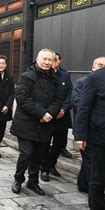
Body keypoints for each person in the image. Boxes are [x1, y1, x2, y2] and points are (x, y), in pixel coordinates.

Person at [10, 49, 63, 196]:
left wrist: (49, 114)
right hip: (26, 123)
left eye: (50, 60)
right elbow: (22, 98)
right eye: (44, 59)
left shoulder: (55, 79)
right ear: (37, 59)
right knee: (26, 153)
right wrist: (41, 113)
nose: (47, 62)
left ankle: (33, 182)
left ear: (53, 62)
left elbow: (58, 100)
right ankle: (18, 179)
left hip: (45, 124)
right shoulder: (26, 77)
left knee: (39, 155)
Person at [74, 57, 105, 210]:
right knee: (97, 176)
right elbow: (83, 108)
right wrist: (80, 135)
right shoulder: (95, 78)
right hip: (99, 137)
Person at [40, 53, 73, 181]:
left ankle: (51, 164)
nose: (51, 62)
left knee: (60, 143)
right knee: (45, 143)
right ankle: (44, 169)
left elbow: (70, 94)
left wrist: (64, 108)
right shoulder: (42, 75)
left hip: (62, 117)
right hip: (47, 116)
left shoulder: (65, 75)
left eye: (54, 60)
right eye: (48, 60)